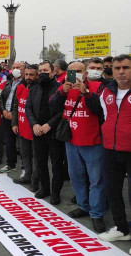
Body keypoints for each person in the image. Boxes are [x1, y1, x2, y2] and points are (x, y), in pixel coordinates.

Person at [49, 61, 106, 232]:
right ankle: (83, 205)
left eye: (79, 71)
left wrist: (86, 93)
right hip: (71, 141)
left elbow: (100, 111)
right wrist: (63, 92)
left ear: (85, 73)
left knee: (96, 180)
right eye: (71, 71)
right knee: (76, 176)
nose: (75, 74)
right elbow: (53, 107)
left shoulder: (98, 87)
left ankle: (97, 213)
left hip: (93, 142)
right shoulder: (63, 88)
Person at [98, 55, 131, 245]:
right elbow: (105, 117)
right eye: (117, 68)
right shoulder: (106, 92)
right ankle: (121, 228)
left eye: (126, 67)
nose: (120, 71)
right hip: (110, 149)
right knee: (112, 190)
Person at [25, 61, 64, 205]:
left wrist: (49, 124)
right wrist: (34, 124)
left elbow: (62, 110)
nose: (42, 73)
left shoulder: (60, 88)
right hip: (38, 131)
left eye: (45, 70)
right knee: (40, 162)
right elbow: (28, 107)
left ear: (53, 72)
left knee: (56, 164)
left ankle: (55, 193)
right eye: (40, 70)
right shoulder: (34, 88)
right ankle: (45, 188)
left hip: (53, 131)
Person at [12, 64, 39, 190]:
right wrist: (14, 123)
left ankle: (35, 179)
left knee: (36, 156)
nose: (28, 77)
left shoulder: (39, 89)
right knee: (25, 154)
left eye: (31, 75)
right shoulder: (20, 87)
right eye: (26, 74)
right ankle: (27, 175)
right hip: (21, 128)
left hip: (34, 129)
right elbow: (16, 106)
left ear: (37, 75)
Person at [0, 61, 26, 172]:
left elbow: (23, 102)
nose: (15, 69)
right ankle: (11, 164)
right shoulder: (8, 83)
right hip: (6, 116)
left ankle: (25, 167)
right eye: (13, 67)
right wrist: (3, 111)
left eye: (18, 67)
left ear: (23, 69)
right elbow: (1, 98)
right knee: (9, 143)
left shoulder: (25, 83)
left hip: (18, 117)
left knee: (23, 145)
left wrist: (13, 114)